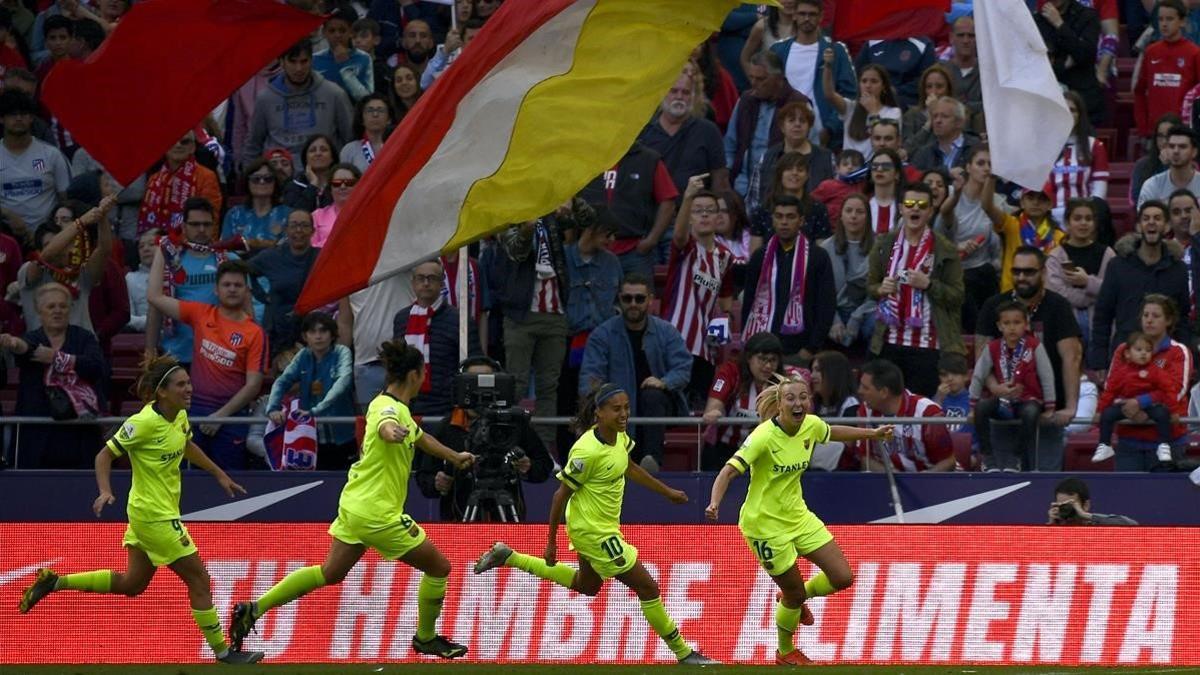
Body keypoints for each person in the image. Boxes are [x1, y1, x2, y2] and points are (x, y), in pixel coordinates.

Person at [230, 341, 475, 660]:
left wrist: (455, 456)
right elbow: (387, 426)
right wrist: (391, 433)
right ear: (415, 374)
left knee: (330, 572)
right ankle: (425, 638)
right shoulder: (387, 409)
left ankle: (254, 609)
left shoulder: (396, 408)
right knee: (439, 567)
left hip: (355, 505)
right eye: (422, 373)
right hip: (377, 513)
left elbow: (420, 436)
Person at [16, 355, 264, 664]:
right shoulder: (142, 423)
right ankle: (224, 653)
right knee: (200, 580)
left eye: (188, 382)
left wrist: (218, 473)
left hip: (151, 513)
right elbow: (103, 456)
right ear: (162, 391)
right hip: (154, 516)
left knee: (133, 584)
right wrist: (105, 491)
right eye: (181, 384)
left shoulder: (180, 416)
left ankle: (55, 581)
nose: (189, 389)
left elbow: (187, 445)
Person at [472, 383, 718, 666]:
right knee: (648, 588)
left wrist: (667, 492)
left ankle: (509, 556)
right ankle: (683, 653)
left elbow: (629, 466)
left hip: (601, 527)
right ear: (599, 413)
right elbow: (558, 496)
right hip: (592, 531)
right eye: (616, 409)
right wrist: (551, 542)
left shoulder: (620, 437)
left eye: (626, 407)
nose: (624, 414)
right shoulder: (586, 451)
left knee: (587, 585)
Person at [705, 372, 893, 664]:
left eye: (803, 397)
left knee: (843, 577)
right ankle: (784, 650)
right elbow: (729, 471)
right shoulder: (763, 437)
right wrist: (715, 502)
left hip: (798, 517)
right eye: (791, 398)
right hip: (764, 526)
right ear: (779, 404)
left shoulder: (811, 426)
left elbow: (831, 431)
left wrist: (873, 434)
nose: (798, 403)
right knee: (793, 593)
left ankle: (795, 597)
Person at [148, 259, 266, 470]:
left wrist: (221, 416)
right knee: (184, 483)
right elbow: (154, 297)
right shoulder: (201, 314)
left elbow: (253, 386)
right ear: (216, 289)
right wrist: (161, 250)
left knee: (229, 485)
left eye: (238, 285)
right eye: (226, 285)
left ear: (247, 290)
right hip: (194, 409)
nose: (232, 289)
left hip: (232, 417)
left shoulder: (255, 333)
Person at [417, 356, 554, 521]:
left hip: (505, 514)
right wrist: (436, 483)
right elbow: (424, 477)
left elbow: (545, 466)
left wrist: (528, 466)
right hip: (459, 519)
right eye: (473, 382)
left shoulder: (513, 423)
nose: (480, 390)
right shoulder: (447, 427)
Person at [579, 274, 692, 473]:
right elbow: (590, 378)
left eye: (639, 299)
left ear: (650, 299)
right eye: (627, 298)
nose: (633, 304)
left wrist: (664, 382)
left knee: (652, 394)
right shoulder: (602, 334)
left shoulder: (667, 332)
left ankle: (652, 461)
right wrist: (604, 394)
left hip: (659, 406)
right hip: (616, 407)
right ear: (619, 300)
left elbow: (683, 368)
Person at [867, 183, 966, 398]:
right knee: (888, 411)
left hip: (929, 345)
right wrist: (880, 288)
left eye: (922, 205)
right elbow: (870, 286)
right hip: (889, 341)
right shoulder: (884, 244)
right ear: (901, 208)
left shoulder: (945, 249)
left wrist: (929, 284)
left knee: (919, 411)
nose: (916, 209)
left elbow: (958, 296)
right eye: (910, 204)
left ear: (931, 211)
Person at [486, 213, 570, 445]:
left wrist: (571, 202)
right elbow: (516, 251)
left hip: (554, 313)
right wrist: (526, 229)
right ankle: (506, 443)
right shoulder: (509, 213)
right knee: (516, 384)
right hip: (519, 315)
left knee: (548, 387)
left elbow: (584, 219)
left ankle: (544, 448)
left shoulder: (552, 207)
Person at [2, 282, 105, 468]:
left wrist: (58, 358)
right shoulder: (32, 338)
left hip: (79, 434)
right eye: (51, 306)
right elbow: (26, 349)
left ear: (69, 309)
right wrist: (14, 344)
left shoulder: (84, 337)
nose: (57, 311)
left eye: (62, 306)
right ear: (39, 311)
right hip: (37, 433)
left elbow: (97, 367)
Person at [1089, 201, 1192, 368]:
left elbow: (1183, 319)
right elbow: (1103, 316)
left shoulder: (1178, 269)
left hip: (1165, 358)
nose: (1151, 222)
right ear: (1138, 226)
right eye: (1146, 218)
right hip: (1125, 355)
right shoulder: (1117, 266)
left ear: (1166, 227)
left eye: (1157, 218)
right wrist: (1099, 361)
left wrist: (1185, 358)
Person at [146, 197, 245, 366]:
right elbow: (156, 307)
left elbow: (245, 309)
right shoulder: (171, 261)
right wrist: (149, 352)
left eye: (207, 224)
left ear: (214, 226)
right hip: (176, 354)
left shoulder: (229, 260)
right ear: (183, 227)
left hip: (219, 354)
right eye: (195, 224)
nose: (201, 229)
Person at [1098, 295, 1192, 469]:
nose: (1149, 320)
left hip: (1167, 440)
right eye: (1145, 315)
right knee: (1126, 494)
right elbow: (1112, 386)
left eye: (1156, 316)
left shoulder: (1178, 351)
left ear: (1169, 320)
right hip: (1129, 438)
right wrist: (1129, 408)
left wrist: (1141, 403)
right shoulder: (1123, 350)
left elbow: (1177, 390)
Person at [663, 176, 734, 405]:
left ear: (718, 216)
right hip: (674, 339)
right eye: (697, 210)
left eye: (710, 210)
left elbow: (725, 301)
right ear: (689, 217)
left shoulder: (725, 256)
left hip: (705, 347)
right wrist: (687, 196)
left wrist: (722, 329)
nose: (704, 215)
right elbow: (679, 235)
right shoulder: (686, 248)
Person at [742, 194, 836, 360]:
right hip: (762, 349)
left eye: (790, 217)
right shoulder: (760, 256)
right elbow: (749, 301)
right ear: (772, 220)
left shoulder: (818, 256)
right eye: (779, 216)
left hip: (800, 351)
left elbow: (826, 305)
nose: (784, 222)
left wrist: (811, 348)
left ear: (801, 221)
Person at [969, 301, 1057, 472]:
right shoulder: (992, 347)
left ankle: (1015, 458)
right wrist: (972, 406)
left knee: (1031, 412)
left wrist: (1050, 407)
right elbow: (979, 375)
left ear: (1026, 324)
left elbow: (1047, 376)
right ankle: (988, 458)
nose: (1012, 328)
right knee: (981, 408)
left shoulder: (1034, 346)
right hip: (1002, 401)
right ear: (999, 326)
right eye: (1006, 323)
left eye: (1017, 323)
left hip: (1028, 399)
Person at [243, 39, 353, 170]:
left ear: (311, 60)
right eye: (293, 61)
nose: (299, 68)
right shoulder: (265, 98)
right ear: (282, 62)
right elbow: (253, 144)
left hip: (324, 174)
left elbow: (350, 140)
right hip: (280, 175)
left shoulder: (335, 93)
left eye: (304, 61)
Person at [266, 311, 356, 469]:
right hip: (312, 437)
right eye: (313, 332)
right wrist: (273, 408)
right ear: (305, 336)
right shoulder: (303, 356)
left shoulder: (342, 353)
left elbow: (341, 385)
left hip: (344, 436)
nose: (318, 336)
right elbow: (282, 382)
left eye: (323, 331)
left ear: (332, 334)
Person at [392, 259, 481, 419]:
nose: (426, 283)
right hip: (408, 407)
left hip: (447, 409)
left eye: (432, 278)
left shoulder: (460, 319)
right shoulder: (401, 318)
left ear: (441, 283)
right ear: (413, 283)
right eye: (421, 278)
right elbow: (396, 365)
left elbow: (474, 365)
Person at [579, 141, 678, 278]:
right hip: (591, 248)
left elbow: (668, 201)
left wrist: (651, 240)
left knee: (637, 298)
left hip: (633, 252)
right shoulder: (584, 157)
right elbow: (568, 197)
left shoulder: (648, 159)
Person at [18, 195, 115, 334]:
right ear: (39, 250)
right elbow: (47, 256)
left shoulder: (81, 273)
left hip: (82, 350)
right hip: (42, 350)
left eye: (65, 244)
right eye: (48, 244)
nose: (60, 248)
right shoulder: (29, 270)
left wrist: (102, 217)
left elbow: (104, 249)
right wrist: (81, 222)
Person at [724, 50, 809, 207]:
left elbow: (811, 151)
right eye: (752, 78)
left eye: (761, 79)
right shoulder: (745, 101)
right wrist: (728, 179)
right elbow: (730, 144)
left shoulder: (799, 104)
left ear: (778, 79)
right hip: (741, 188)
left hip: (781, 193)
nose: (754, 83)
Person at [768, 0, 855, 148]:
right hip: (783, 131)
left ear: (821, 17)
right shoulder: (778, 50)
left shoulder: (836, 51)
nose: (807, 18)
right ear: (794, 15)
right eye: (802, 14)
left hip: (824, 134)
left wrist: (830, 128)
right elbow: (769, 91)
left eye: (812, 14)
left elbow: (849, 94)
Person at [937, 145, 1003, 331]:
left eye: (990, 164)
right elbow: (938, 234)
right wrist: (957, 246)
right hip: (952, 269)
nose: (986, 168)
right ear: (968, 167)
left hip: (984, 272)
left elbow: (997, 251)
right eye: (980, 163)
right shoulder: (952, 195)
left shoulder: (998, 202)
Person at [637, 69, 731, 196]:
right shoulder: (643, 131)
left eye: (685, 92)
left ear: (693, 97)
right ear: (662, 93)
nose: (679, 97)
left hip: (695, 211)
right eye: (673, 91)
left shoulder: (708, 132)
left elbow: (720, 181)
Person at [701, 332, 786, 470]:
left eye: (773, 360)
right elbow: (713, 408)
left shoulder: (783, 381)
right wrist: (715, 411)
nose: (768, 366)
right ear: (748, 358)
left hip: (766, 453)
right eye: (762, 359)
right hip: (726, 451)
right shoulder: (730, 372)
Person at [1091, 331, 1177, 464]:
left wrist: (1174, 410)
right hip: (1126, 407)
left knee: (1162, 413)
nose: (1144, 353)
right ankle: (1105, 445)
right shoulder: (1121, 372)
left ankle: (1163, 445)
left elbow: (1169, 390)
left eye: (1148, 350)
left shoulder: (1156, 371)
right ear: (1127, 353)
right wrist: (1099, 411)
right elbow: (1109, 392)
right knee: (1107, 414)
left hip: (1150, 406)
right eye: (1139, 349)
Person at [855, 359, 954, 472]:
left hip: (927, 482)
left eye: (865, 388)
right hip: (885, 481)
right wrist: (891, 475)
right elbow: (865, 459)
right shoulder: (865, 410)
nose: (859, 391)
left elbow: (949, 461)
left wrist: (920, 481)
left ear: (884, 393)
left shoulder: (928, 412)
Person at [248, 209, 318, 358]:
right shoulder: (272, 256)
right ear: (286, 230)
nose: (299, 230)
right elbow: (243, 270)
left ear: (313, 231)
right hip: (278, 332)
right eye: (294, 225)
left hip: (313, 332)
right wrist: (261, 295)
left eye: (304, 225)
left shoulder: (321, 257)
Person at [1045, 199, 1115, 342]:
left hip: (1101, 323)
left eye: (1088, 219)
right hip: (1066, 324)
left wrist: (1087, 282)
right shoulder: (1055, 256)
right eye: (1077, 218)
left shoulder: (1108, 253)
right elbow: (1056, 293)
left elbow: (1113, 290)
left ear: (1094, 223)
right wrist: (1089, 296)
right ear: (1067, 223)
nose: (1083, 223)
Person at [0, 90, 70, 232]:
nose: (19, 118)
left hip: (48, 238)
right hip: (5, 237)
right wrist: (7, 214)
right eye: (13, 114)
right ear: (1, 119)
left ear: (32, 118)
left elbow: (66, 199)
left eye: (24, 114)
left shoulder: (51, 155)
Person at [136, 131, 222, 236]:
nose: (178, 145)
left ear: (193, 148)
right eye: (172, 141)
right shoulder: (154, 179)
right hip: (156, 245)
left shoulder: (206, 176)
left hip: (192, 244)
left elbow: (211, 219)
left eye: (184, 142)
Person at [1134, 0, 1199, 138]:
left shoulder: (1194, 53)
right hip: (1155, 132)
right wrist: (1143, 128)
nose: (1164, 24)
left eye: (1169, 19)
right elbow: (1139, 90)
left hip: (1184, 131)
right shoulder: (1151, 51)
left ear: (1182, 22)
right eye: (1160, 19)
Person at [821, 193, 876, 348]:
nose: (853, 216)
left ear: (868, 217)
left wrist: (857, 317)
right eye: (849, 211)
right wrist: (834, 320)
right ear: (841, 216)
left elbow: (878, 294)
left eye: (859, 212)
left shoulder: (880, 248)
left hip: (865, 311)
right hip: (833, 311)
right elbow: (821, 292)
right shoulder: (825, 248)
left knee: (879, 321)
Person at [1034, 0, 1104, 123]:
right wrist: (1064, 64)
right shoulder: (1037, 20)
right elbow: (1038, 62)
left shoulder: (1088, 16)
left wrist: (1059, 24)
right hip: (1049, 100)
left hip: (1084, 102)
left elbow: (1085, 55)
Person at [1045, 90, 1110, 218]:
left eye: (1073, 110)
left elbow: (1099, 191)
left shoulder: (1095, 146)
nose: (1068, 113)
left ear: (1080, 115)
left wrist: (1088, 216)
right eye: (1064, 109)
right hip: (1048, 217)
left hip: (1083, 219)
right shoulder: (1042, 146)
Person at [821, 58, 902, 157]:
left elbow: (882, 137)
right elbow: (829, 95)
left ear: (883, 86)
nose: (868, 85)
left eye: (874, 81)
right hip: (850, 168)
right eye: (864, 81)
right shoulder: (850, 107)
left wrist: (873, 111)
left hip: (875, 167)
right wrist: (828, 66)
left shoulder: (893, 112)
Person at [749, 151, 832, 246]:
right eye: (788, 169)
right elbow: (755, 254)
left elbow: (822, 249)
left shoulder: (818, 209)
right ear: (780, 174)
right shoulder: (762, 210)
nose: (794, 173)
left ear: (807, 176)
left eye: (800, 170)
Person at [995, 187, 1065, 294]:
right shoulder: (1011, 225)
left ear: (1050, 205)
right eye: (1030, 198)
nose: (1036, 203)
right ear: (1022, 202)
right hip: (1011, 291)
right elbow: (987, 207)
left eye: (1042, 199)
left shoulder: (1060, 236)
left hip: (1045, 294)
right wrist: (991, 179)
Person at [758, 101, 835, 196]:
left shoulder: (826, 158)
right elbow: (754, 199)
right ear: (782, 127)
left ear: (809, 127)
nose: (797, 124)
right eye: (791, 120)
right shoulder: (767, 157)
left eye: (802, 121)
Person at [221, 159, 291, 254]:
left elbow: (289, 248)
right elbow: (225, 249)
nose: (262, 182)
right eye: (256, 179)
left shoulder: (288, 214)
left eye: (268, 179)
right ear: (247, 183)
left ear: (275, 183)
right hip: (239, 266)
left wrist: (250, 244)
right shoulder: (234, 214)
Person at [855, 36, 937, 109]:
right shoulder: (873, 40)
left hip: (905, 100)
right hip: (871, 96)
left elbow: (925, 79)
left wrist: (895, 91)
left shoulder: (923, 44)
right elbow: (858, 73)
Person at [313, 4, 374, 102]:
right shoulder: (315, 59)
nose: (337, 35)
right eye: (332, 31)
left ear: (351, 32)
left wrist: (344, 66)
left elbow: (366, 99)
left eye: (342, 30)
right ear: (324, 32)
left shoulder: (364, 58)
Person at [1136, 126, 1200, 208]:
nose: (1176, 151)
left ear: (1194, 152)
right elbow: (1145, 218)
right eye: (1171, 146)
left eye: (1182, 147)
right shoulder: (1152, 185)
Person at [901, 64, 957, 157]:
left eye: (939, 86)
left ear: (948, 89)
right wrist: (929, 123)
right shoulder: (912, 114)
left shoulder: (958, 113)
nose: (933, 91)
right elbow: (907, 149)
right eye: (929, 87)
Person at [910, 97, 978, 172]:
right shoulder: (924, 153)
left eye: (945, 116)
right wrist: (947, 173)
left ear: (959, 122)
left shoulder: (975, 148)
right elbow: (914, 177)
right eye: (935, 116)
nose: (937, 121)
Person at [941, 15, 983, 134]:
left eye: (971, 36)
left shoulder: (989, 72)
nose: (966, 40)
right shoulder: (941, 71)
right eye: (961, 35)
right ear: (951, 38)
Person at [1130, 114, 1181, 206]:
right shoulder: (1142, 165)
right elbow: (1137, 199)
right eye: (1160, 136)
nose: (1164, 141)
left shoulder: (1190, 166)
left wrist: (1171, 167)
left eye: (1169, 136)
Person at [738, 0, 796, 78]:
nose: (789, 1)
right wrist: (756, 82)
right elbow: (745, 59)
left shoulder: (807, 26)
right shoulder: (762, 26)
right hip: (772, 86)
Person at [811, 149, 867, 229]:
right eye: (845, 164)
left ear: (862, 169)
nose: (850, 167)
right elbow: (811, 202)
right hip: (831, 229)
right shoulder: (828, 185)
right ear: (837, 168)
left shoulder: (864, 185)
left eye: (855, 165)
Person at [282, 134, 338, 212]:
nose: (318, 154)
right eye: (312, 150)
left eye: (324, 150)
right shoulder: (294, 186)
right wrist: (312, 186)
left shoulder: (340, 183)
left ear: (332, 157)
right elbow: (295, 216)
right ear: (305, 158)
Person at [1047, 477, 1137, 525]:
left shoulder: (1096, 523)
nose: (1065, 509)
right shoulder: (1055, 528)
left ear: (1086, 505)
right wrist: (1051, 525)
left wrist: (1085, 515)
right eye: (1061, 505)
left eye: (1070, 505)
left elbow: (1132, 525)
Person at [339, 93, 392, 172]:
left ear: (389, 119)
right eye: (370, 110)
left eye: (381, 110)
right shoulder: (349, 149)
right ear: (361, 119)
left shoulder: (397, 146)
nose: (375, 114)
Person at [311, 163, 360, 247]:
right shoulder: (317, 216)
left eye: (349, 183)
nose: (343, 186)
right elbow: (311, 248)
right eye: (337, 183)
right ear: (330, 188)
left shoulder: (369, 213)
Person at [126, 228, 158, 331]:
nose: (146, 249)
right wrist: (156, 322)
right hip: (140, 338)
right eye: (141, 246)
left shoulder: (176, 276)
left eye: (151, 244)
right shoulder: (130, 279)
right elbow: (127, 318)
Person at [865, 147, 903, 234]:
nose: (879, 169)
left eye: (886, 166)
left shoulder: (906, 204)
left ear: (897, 174)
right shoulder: (863, 203)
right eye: (874, 166)